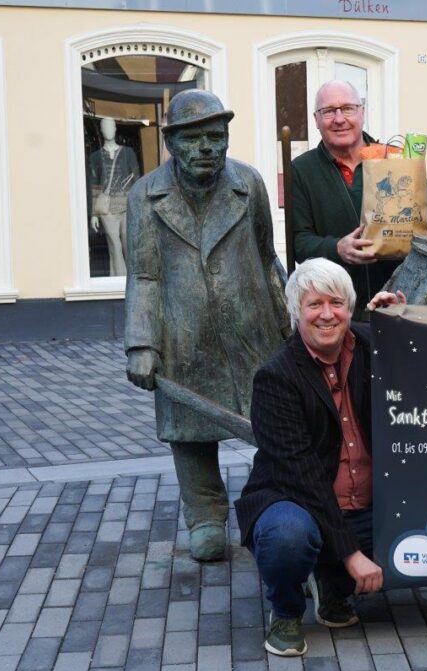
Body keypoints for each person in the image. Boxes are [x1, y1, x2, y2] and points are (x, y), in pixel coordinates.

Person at [125, 89, 291, 562]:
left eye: (215, 138)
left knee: (271, 422)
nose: (207, 149)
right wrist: (141, 342)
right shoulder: (146, 195)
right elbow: (144, 273)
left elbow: (266, 257)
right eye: (194, 139)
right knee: (190, 430)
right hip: (184, 335)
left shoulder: (249, 184)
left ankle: (274, 503)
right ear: (172, 143)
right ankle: (205, 515)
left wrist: (288, 323)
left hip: (251, 328)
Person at [234, 258, 404, 657]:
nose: (327, 314)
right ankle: (287, 611)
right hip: (297, 502)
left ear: (350, 307)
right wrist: (352, 555)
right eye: (314, 305)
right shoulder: (275, 378)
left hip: (364, 506)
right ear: (296, 312)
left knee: (421, 528)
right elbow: (304, 478)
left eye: (337, 303)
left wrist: (401, 318)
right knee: (288, 537)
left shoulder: (373, 345)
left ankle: (332, 585)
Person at [291, 80, 427, 321]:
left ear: (362, 112)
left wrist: (423, 240)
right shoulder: (301, 170)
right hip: (338, 313)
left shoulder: (394, 158)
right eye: (328, 111)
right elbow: (299, 242)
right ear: (316, 119)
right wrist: (336, 248)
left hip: (401, 302)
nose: (339, 119)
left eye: (348, 108)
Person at [88, 116, 140, 276]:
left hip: (126, 205)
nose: (109, 130)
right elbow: (94, 185)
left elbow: (137, 178)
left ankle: (132, 281)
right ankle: (119, 281)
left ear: (115, 129)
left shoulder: (128, 153)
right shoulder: (95, 157)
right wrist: (94, 214)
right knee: (114, 246)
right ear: (102, 130)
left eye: (111, 126)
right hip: (106, 208)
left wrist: (137, 205)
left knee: (127, 245)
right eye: (105, 126)